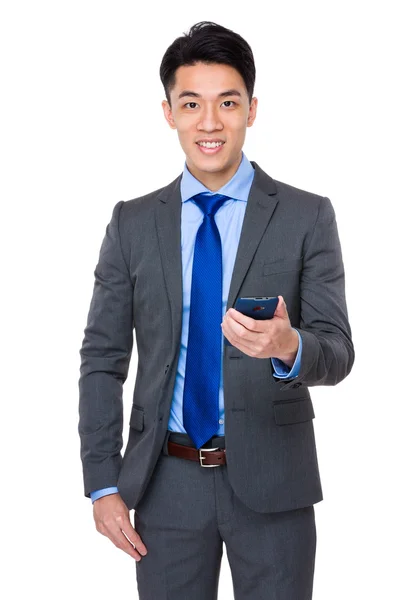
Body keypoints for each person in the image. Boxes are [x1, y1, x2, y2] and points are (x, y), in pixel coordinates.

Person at [78, 20, 355, 600]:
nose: (210, 123)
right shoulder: (132, 223)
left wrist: (288, 346)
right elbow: (102, 359)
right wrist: (103, 484)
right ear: (168, 112)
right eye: (191, 103)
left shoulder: (307, 216)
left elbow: (337, 351)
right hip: (166, 483)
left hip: (276, 483)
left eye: (227, 102)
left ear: (251, 110)